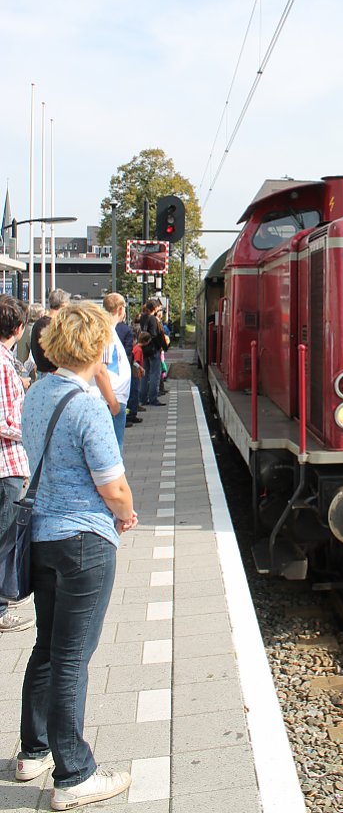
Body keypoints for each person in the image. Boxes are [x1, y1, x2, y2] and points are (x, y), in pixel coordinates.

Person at [16, 302, 135, 808]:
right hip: (83, 542)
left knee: (47, 646)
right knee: (72, 658)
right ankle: (75, 775)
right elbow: (113, 484)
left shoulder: (37, 393)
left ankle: (33, 751)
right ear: (99, 345)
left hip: (40, 535)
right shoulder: (87, 404)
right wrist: (126, 514)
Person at [0, 295, 34, 633]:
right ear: (20, 328)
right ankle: (0, 609)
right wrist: (28, 427)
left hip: (8, 464)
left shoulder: (7, 361)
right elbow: (2, 419)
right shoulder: (2, 363)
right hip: (5, 465)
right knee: (4, 537)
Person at [101, 294, 132, 450]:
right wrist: (113, 403)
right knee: (113, 449)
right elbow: (101, 370)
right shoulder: (106, 333)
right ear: (120, 310)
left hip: (113, 399)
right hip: (111, 400)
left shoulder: (110, 331)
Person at [30, 289, 71, 378]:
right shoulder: (56, 325)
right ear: (63, 304)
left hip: (41, 372)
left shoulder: (38, 324)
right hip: (55, 374)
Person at [139, 300, 165, 407]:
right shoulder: (153, 319)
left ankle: (143, 398)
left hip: (144, 349)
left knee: (145, 374)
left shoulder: (142, 318)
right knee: (155, 373)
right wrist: (160, 346)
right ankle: (153, 398)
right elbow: (154, 335)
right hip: (153, 350)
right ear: (154, 309)